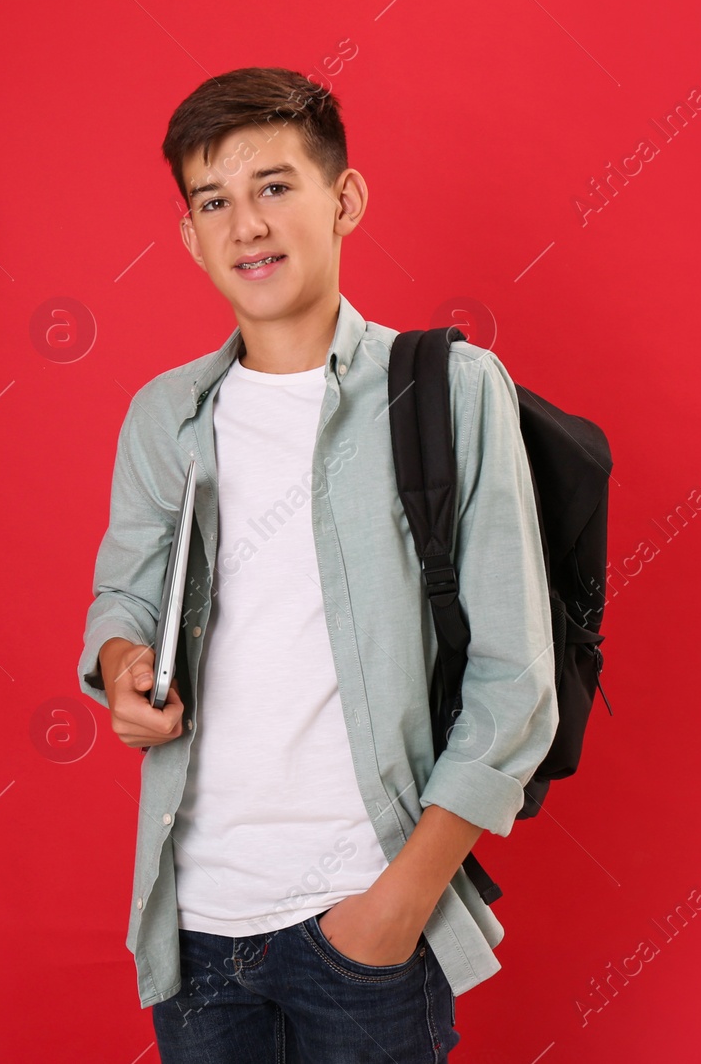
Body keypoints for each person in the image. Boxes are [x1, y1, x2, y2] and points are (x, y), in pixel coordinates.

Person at [77, 66, 559, 1062]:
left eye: (274, 186)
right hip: (196, 926)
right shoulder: (165, 416)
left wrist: (398, 902)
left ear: (344, 199)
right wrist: (124, 666)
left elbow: (516, 678)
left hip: (367, 921)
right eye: (214, 201)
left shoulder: (448, 390)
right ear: (189, 236)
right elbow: (124, 593)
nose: (245, 223)